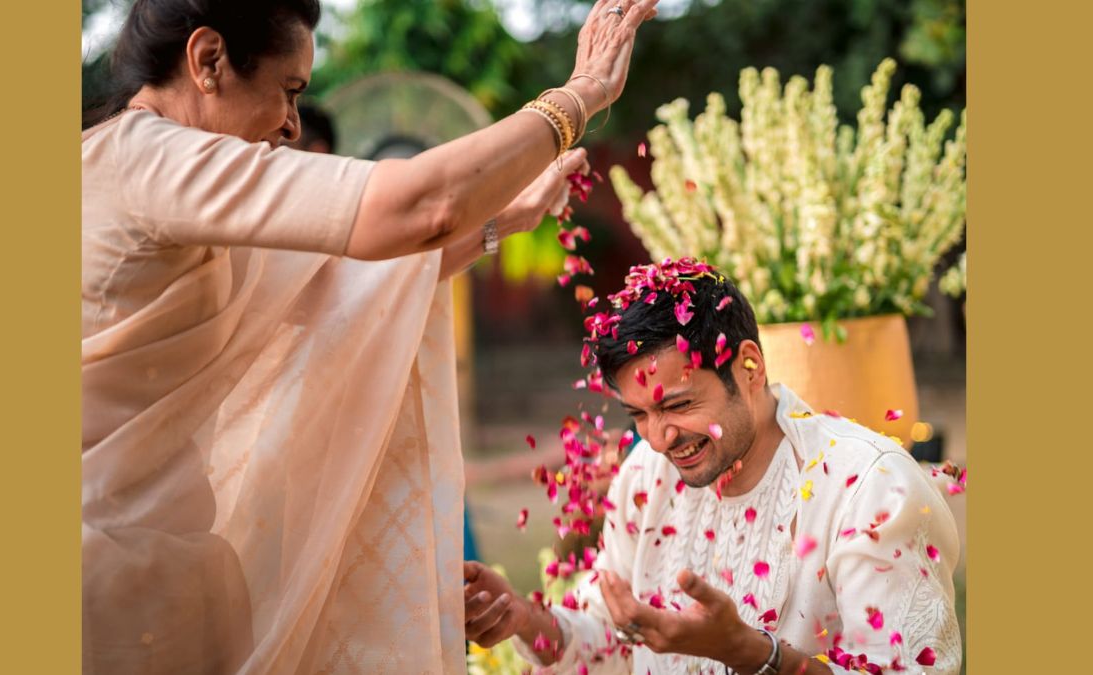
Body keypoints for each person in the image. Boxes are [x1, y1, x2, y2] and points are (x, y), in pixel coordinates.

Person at [81, 0, 660, 672]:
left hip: (159, 564)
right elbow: (420, 204)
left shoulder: (135, 168)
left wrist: (504, 220)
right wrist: (579, 96)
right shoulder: (147, 159)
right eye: (289, 92)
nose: (292, 126)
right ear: (208, 60)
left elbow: (347, 281)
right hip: (106, 576)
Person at [462, 259, 962, 674]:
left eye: (677, 406)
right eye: (639, 414)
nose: (658, 439)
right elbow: (610, 639)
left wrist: (750, 652)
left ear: (749, 367)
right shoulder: (645, 476)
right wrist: (523, 619)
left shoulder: (869, 489)